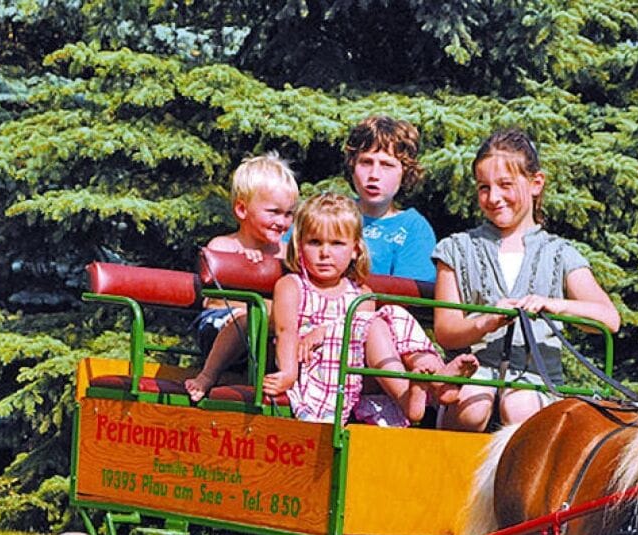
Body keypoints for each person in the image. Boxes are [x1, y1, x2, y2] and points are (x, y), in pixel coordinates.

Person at [432, 129, 621, 431]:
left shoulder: (559, 253)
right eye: (483, 187)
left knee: (520, 404)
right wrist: (486, 322)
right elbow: (446, 330)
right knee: (473, 405)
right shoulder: (455, 249)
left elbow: (609, 319)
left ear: (536, 183)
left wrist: (552, 305)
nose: (494, 198)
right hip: (471, 371)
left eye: (505, 185)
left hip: (536, 377)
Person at [269, 193, 471, 425]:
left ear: (355, 249)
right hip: (319, 368)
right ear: (299, 245)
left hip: (359, 368)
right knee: (372, 323)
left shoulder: (360, 292)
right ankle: (408, 396)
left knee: (391, 314)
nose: (325, 253)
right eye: (315, 242)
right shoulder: (293, 286)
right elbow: (285, 332)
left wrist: (325, 331)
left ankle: (436, 377)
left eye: (336, 243)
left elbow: (365, 337)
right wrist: (288, 373)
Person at [185, 152, 298, 402]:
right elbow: (213, 301)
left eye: (289, 214)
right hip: (219, 327)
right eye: (273, 212)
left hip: (265, 334)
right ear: (241, 209)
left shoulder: (287, 252)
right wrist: (249, 275)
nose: (282, 222)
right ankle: (207, 375)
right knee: (251, 317)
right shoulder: (225, 246)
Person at [345, 115, 437, 280]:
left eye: (387, 165)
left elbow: (406, 297)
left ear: (405, 172)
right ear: (352, 165)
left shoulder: (413, 228)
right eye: (366, 162)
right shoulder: (327, 213)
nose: (374, 175)